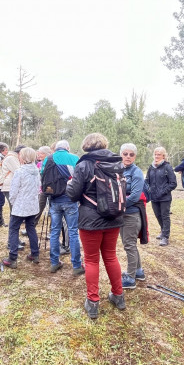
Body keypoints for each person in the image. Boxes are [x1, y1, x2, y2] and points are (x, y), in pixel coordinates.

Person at [66, 133, 125, 319]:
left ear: (86, 145)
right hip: (114, 217)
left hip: (91, 219)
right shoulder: (117, 163)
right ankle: (118, 295)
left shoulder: (84, 165)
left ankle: (93, 302)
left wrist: (69, 184)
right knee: (111, 256)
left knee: (91, 260)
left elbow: (73, 194)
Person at [41, 140, 83, 275]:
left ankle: (54, 262)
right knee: (73, 232)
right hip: (70, 199)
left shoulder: (47, 159)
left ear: (56, 148)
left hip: (54, 199)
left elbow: (41, 176)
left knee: (54, 232)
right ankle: (76, 266)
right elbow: (79, 179)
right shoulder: (74, 158)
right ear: (67, 148)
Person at [2, 147, 41, 268]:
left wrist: (13, 202)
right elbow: (38, 187)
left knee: (13, 229)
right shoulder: (36, 170)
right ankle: (35, 254)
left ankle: (12, 258)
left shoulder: (20, 171)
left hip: (21, 205)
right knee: (31, 228)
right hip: (32, 205)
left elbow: (13, 191)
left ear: (23, 158)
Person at [119, 143, 146, 289]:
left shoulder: (136, 172)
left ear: (135, 156)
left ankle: (130, 278)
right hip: (122, 214)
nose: (128, 157)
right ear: (121, 154)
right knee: (129, 244)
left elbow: (135, 196)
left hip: (131, 215)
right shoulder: (118, 169)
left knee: (129, 245)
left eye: (131, 154)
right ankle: (138, 271)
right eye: (125, 154)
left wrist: (118, 206)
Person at [145, 147, 177, 246]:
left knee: (165, 216)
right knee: (158, 215)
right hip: (154, 197)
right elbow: (147, 180)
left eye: (159, 154)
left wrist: (163, 192)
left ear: (163, 156)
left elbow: (173, 183)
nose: (156, 156)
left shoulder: (167, 167)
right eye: (155, 154)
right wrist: (147, 189)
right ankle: (163, 230)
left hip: (164, 198)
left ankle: (165, 237)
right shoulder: (151, 167)